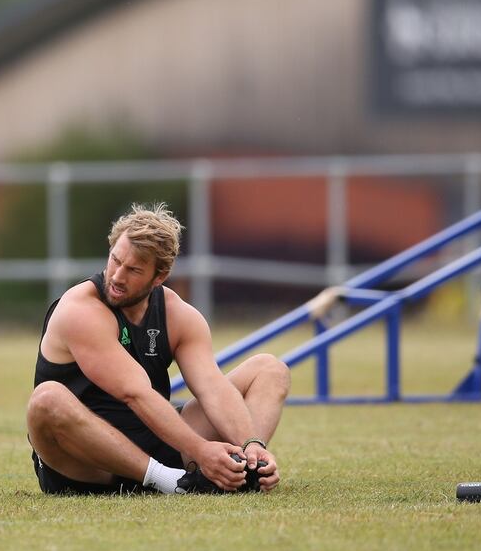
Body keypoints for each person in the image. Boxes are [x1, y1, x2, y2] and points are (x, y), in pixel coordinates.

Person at [26, 202, 290, 494]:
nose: (117, 276)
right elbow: (134, 393)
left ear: (159, 276)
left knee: (269, 369)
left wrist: (251, 442)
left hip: (158, 443)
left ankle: (247, 470)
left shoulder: (179, 315)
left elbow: (212, 388)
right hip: (89, 464)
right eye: (115, 260)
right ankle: (173, 481)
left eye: (133, 270)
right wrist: (200, 450)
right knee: (46, 399)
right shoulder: (80, 309)